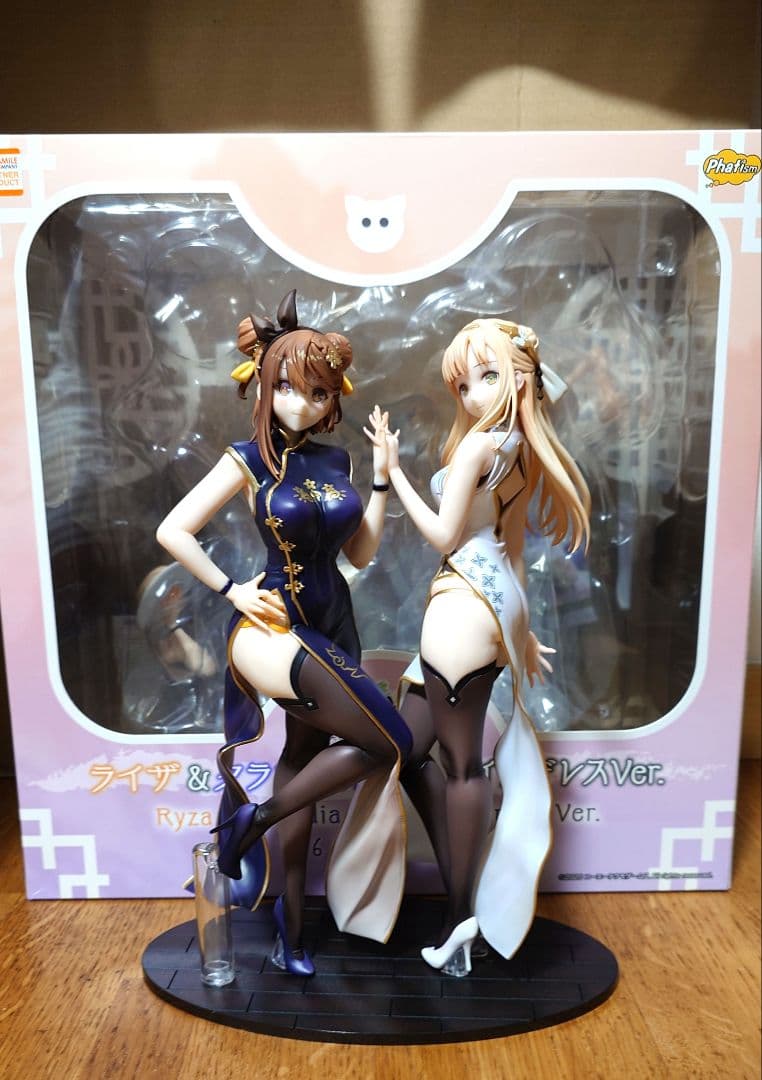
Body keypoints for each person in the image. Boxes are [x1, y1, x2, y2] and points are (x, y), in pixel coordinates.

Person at [156, 290, 411, 975]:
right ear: (264, 385)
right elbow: (173, 530)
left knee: (303, 758)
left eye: (319, 393)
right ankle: (255, 821)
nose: (304, 404)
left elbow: (360, 556)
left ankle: (289, 929)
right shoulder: (246, 459)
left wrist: (381, 482)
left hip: (336, 621)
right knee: (391, 742)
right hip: (273, 626)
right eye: (290, 388)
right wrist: (231, 589)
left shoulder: (336, 462)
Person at [383, 317, 590, 976]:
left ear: (520, 378)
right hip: (489, 609)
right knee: (405, 747)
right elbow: (513, 548)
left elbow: (445, 537)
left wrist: (392, 473)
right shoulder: (518, 449)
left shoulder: (480, 448)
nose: (473, 394)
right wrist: (519, 632)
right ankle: (461, 887)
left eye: (488, 376)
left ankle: (457, 918)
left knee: (463, 767)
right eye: (464, 384)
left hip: (462, 610)